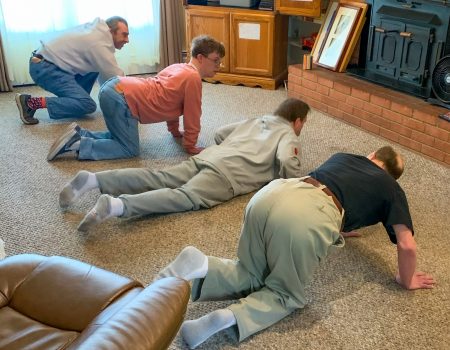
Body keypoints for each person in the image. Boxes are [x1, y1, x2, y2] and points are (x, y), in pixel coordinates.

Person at [157, 146, 435, 349]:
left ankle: (203, 265)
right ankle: (230, 316)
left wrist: (336, 229)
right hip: (305, 218)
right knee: (285, 294)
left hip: (273, 193)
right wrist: (406, 279)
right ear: (393, 176)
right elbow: (407, 245)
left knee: (251, 271)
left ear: (372, 155)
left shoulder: (345, 157)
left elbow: (333, 189)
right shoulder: (392, 188)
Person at [58, 98, 309, 232]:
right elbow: (287, 160)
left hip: (209, 157)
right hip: (227, 176)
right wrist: (292, 182)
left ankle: (95, 180)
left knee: (159, 177)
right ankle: (118, 205)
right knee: (184, 197)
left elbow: (221, 133)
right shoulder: (289, 134)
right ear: (297, 121)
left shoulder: (257, 120)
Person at [46, 35, 226, 160]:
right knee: (128, 149)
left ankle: (81, 134)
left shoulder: (178, 67)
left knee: (120, 135)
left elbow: (171, 100)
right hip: (123, 98)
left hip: (115, 87)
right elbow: (192, 114)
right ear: (201, 58)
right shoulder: (193, 78)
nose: (219, 65)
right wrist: (190, 144)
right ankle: (78, 145)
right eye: (216, 60)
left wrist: (174, 130)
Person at [15, 16, 129, 125]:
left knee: (96, 67)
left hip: (49, 64)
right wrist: (133, 99)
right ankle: (29, 103)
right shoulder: (98, 42)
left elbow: (107, 74)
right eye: (124, 35)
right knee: (87, 105)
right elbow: (116, 78)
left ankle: (74, 101)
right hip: (46, 69)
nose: (127, 40)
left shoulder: (96, 32)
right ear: (110, 31)